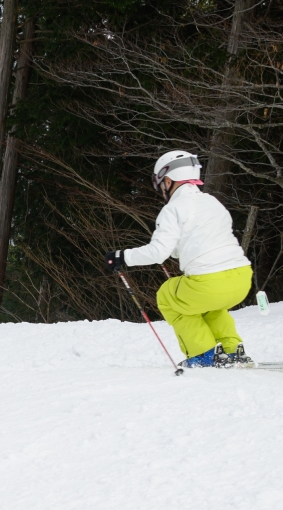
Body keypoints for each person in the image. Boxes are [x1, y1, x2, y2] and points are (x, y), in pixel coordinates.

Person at [104, 149, 254, 367]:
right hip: (241, 280)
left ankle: (203, 354)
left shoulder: (173, 209)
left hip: (209, 284)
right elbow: (202, 241)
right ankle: (232, 350)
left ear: (168, 180)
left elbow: (158, 252)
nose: (162, 191)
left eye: (161, 185)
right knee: (207, 305)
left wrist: (121, 256)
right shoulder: (213, 202)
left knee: (167, 295)